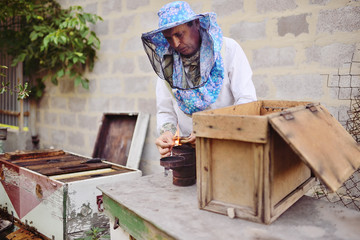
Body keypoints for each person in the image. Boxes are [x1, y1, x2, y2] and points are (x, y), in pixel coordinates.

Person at [141, 1, 257, 158]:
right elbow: (166, 110)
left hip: (230, 149)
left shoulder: (228, 49)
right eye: (169, 38)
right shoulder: (168, 64)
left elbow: (247, 101)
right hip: (190, 154)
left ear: (195, 24)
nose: (175, 43)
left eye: (179, 34)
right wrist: (166, 133)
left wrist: (213, 129)